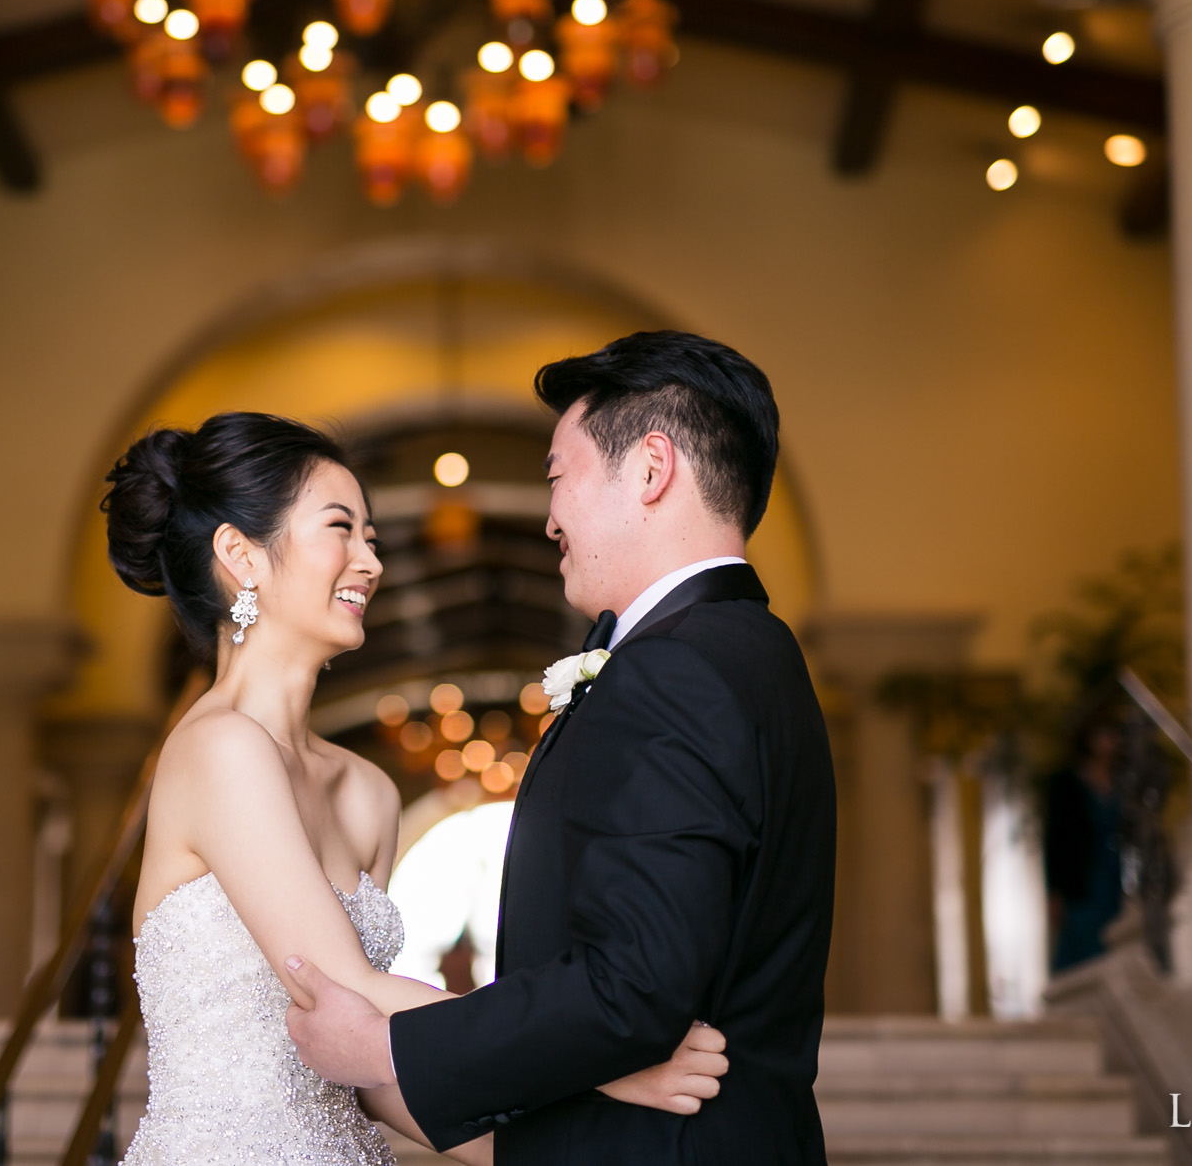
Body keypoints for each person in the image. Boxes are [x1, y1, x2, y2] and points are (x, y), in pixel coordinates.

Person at [99, 411, 725, 1166]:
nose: (371, 560)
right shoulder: (216, 750)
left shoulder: (368, 790)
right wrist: (603, 1056)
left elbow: (371, 1062)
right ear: (241, 554)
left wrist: (568, 1145)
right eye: (342, 528)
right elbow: (346, 980)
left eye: (372, 535)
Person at [285, 331, 839, 1165]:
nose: (547, 519)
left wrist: (382, 1048)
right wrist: (601, 1068)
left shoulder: (678, 667)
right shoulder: (759, 652)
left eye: (557, 477)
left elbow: (632, 987)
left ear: (652, 470)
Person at [1045, 709, 1125, 971]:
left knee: (1115, 936)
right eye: (1101, 735)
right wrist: (1054, 891)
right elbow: (1056, 840)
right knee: (1082, 941)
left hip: (1116, 875)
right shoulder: (1067, 784)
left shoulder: (1124, 782)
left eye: (1112, 735)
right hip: (1083, 878)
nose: (1107, 742)